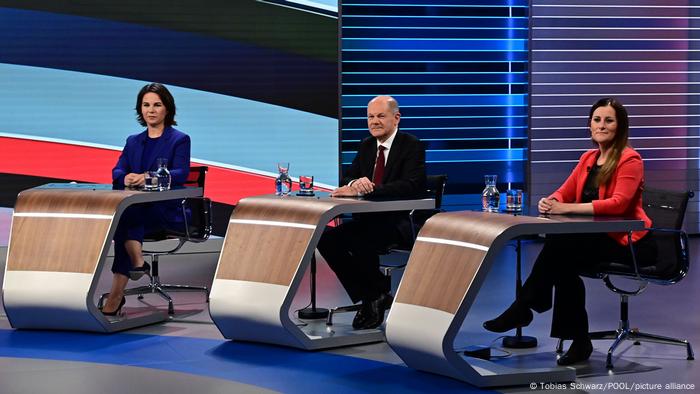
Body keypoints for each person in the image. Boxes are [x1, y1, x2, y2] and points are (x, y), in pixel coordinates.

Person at [483, 97, 657, 365]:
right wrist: (550, 201)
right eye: (597, 119)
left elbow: (618, 204)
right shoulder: (589, 158)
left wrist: (565, 209)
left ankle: (526, 307)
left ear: (620, 126)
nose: (601, 125)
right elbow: (565, 191)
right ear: (589, 124)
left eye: (609, 120)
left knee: (560, 248)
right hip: (596, 240)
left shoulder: (629, 159)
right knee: (563, 261)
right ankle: (576, 340)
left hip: (629, 243)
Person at [317, 95, 426, 330]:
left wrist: (374, 189)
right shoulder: (366, 145)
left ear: (396, 118)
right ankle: (374, 294)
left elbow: (412, 185)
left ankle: (373, 297)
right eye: (370, 117)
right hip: (367, 220)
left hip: (399, 222)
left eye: (380, 116)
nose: (374, 121)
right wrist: (356, 182)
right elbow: (347, 177)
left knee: (361, 239)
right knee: (324, 237)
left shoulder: (412, 145)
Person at [101, 83, 191, 316]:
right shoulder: (133, 141)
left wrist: (148, 177)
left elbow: (181, 172)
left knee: (126, 218)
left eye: (157, 105)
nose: (151, 110)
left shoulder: (179, 139)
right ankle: (133, 268)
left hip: (166, 210)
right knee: (128, 216)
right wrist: (127, 177)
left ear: (167, 109)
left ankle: (124, 283)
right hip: (137, 212)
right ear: (140, 109)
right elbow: (116, 172)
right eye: (146, 105)